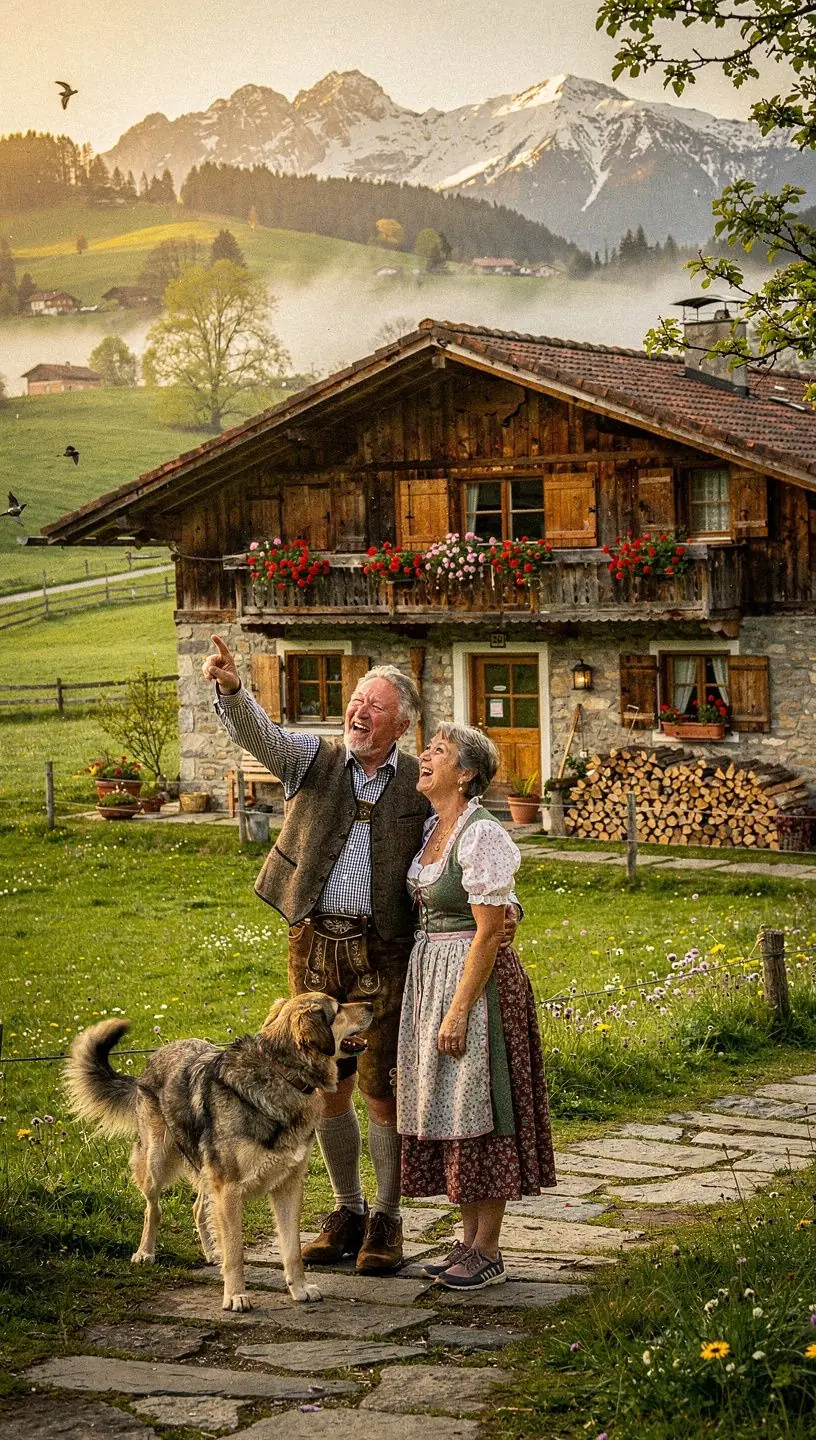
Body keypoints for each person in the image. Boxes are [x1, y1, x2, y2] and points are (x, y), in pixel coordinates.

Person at [203, 637, 519, 1273]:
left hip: (384, 952)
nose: (358, 714)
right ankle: (346, 1210)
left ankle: (388, 1218)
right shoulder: (312, 760)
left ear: (401, 723)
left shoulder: (419, 783)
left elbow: (468, 851)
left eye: (374, 707)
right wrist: (235, 691)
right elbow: (261, 735)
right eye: (354, 703)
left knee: (381, 1089)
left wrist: (506, 911)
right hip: (315, 942)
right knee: (326, 1086)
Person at [397, 722, 556, 1290]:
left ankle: (488, 1248)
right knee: (454, 1107)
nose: (425, 756)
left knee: (482, 1107)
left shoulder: (481, 834)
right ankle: (465, 1241)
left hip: (476, 984)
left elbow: (490, 931)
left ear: (466, 773)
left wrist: (460, 1008)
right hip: (433, 975)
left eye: (438, 751)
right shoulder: (433, 828)